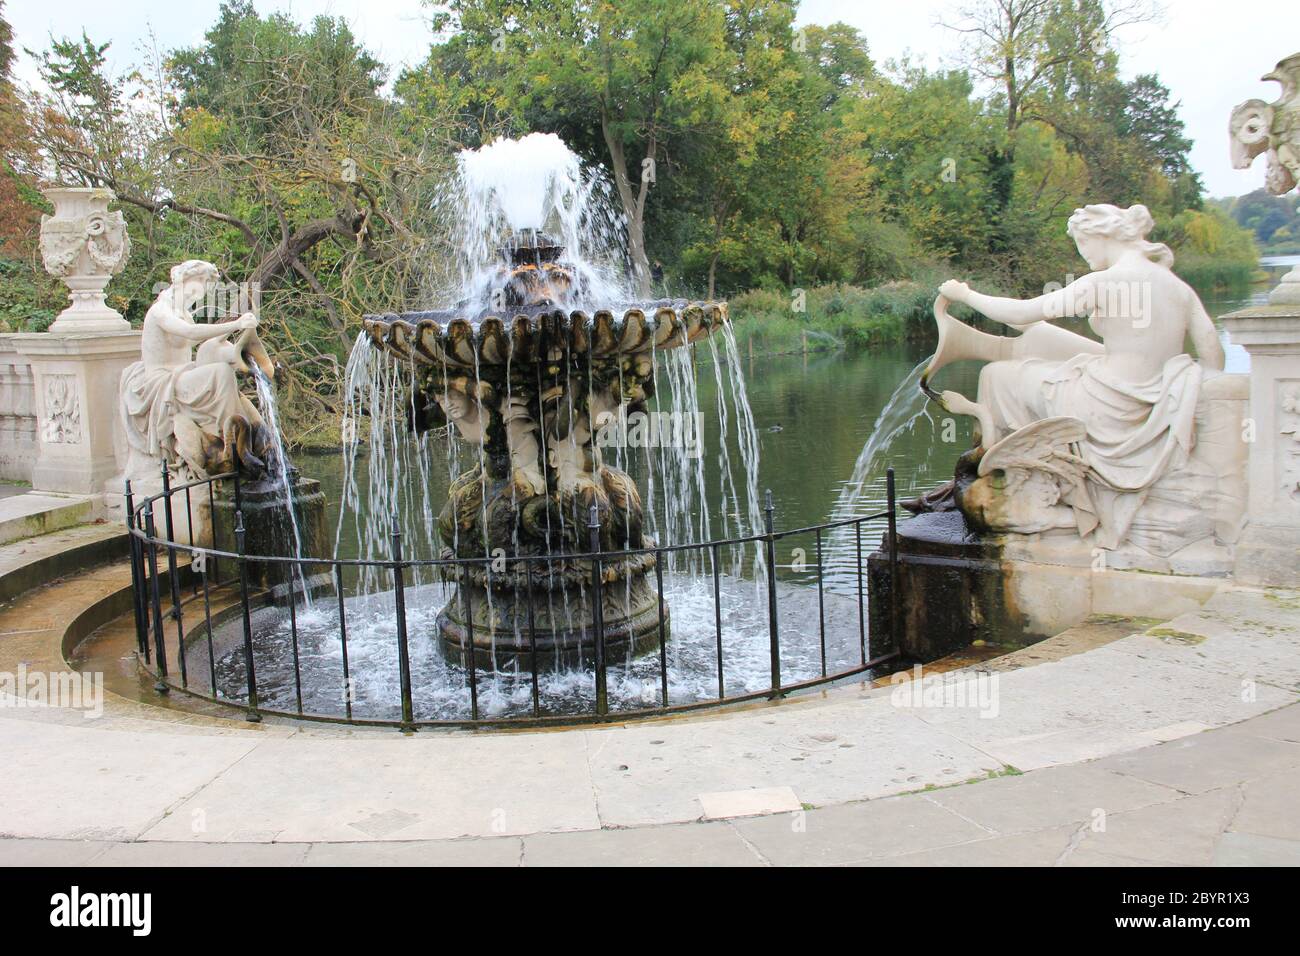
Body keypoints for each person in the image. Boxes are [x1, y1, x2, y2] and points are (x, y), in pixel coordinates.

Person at [932, 203, 1225, 548]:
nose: (1083, 255)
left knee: (996, 376)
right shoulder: (1177, 287)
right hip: (1151, 403)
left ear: (1101, 236)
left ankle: (1006, 480)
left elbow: (1024, 311)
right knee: (1045, 348)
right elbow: (1214, 356)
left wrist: (964, 294)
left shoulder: (1106, 281)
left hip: (1104, 404)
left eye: (1082, 244)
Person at [121, 260, 272, 479]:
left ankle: (247, 438)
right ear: (182, 279)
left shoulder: (183, 312)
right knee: (220, 372)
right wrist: (235, 324)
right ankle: (232, 444)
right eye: (200, 281)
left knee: (215, 349)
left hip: (182, 374)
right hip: (162, 381)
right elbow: (190, 333)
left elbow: (198, 341)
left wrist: (237, 331)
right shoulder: (160, 311)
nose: (203, 289)